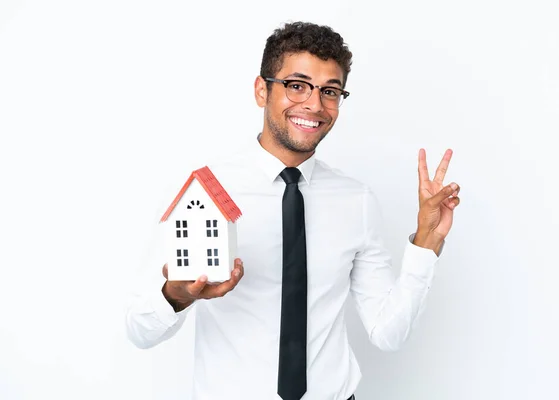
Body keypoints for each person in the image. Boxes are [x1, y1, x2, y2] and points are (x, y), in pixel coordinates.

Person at [125, 21, 461, 400]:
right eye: (296, 85)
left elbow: (388, 333)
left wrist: (426, 244)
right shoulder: (201, 191)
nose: (314, 104)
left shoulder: (357, 201)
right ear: (261, 90)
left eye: (329, 91)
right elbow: (139, 330)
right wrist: (176, 296)